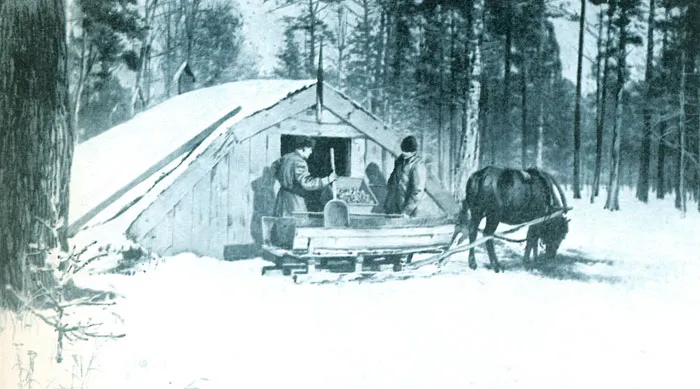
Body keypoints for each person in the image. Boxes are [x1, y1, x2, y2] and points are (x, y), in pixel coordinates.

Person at [271, 136, 337, 217]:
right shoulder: (299, 162)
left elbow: (274, 167)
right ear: (304, 148)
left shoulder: (286, 157)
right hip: (294, 201)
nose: (311, 152)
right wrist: (328, 179)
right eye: (310, 149)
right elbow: (307, 183)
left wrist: (283, 180)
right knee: (298, 225)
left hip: (281, 198)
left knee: (281, 224)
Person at [384, 135, 427, 217]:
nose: (404, 153)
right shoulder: (399, 161)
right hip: (394, 207)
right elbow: (392, 180)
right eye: (403, 150)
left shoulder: (418, 165)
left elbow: (417, 191)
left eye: (407, 151)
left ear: (413, 152)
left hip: (407, 211)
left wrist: (407, 211)